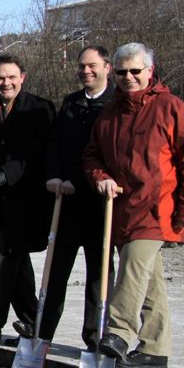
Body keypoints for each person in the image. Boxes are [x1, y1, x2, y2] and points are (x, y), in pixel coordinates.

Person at [86, 42, 184, 368]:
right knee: (149, 277)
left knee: (132, 267)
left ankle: (118, 332)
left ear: (150, 71)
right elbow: (92, 156)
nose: (129, 77)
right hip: (124, 209)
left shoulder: (171, 108)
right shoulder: (110, 112)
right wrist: (100, 177)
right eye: (122, 72)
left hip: (158, 209)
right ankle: (155, 349)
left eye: (135, 71)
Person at [0, 53, 55, 340]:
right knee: (10, 257)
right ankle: (32, 319)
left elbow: (36, 155)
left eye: (11, 77)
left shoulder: (40, 109)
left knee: (7, 255)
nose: (5, 83)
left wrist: (5, 175)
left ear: (22, 78)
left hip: (25, 198)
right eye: (0, 78)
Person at [38, 46, 115, 350]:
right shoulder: (71, 103)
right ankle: (43, 330)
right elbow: (54, 144)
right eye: (82, 66)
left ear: (107, 67)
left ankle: (95, 335)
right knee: (55, 271)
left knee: (99, 274)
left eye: (92, 66)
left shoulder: (115, 105)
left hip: (99, 203)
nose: (86, 71)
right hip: (66, 201)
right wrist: (54, 175)